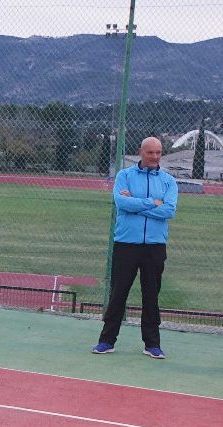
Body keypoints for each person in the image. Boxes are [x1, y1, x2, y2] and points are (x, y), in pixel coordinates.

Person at [92, 136, 178, 359]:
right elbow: (122, 203)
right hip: (126, 244)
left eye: (158, 153)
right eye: (151, 153)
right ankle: (106, 340)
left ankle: (152, 344)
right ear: (141, 152)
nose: (155, 157)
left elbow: (168, 211)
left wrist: (137, 204)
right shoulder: (124, 176)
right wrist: (151, 202)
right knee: (118, 293)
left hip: (155, 246)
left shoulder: (169, 181)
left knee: (151, 296)